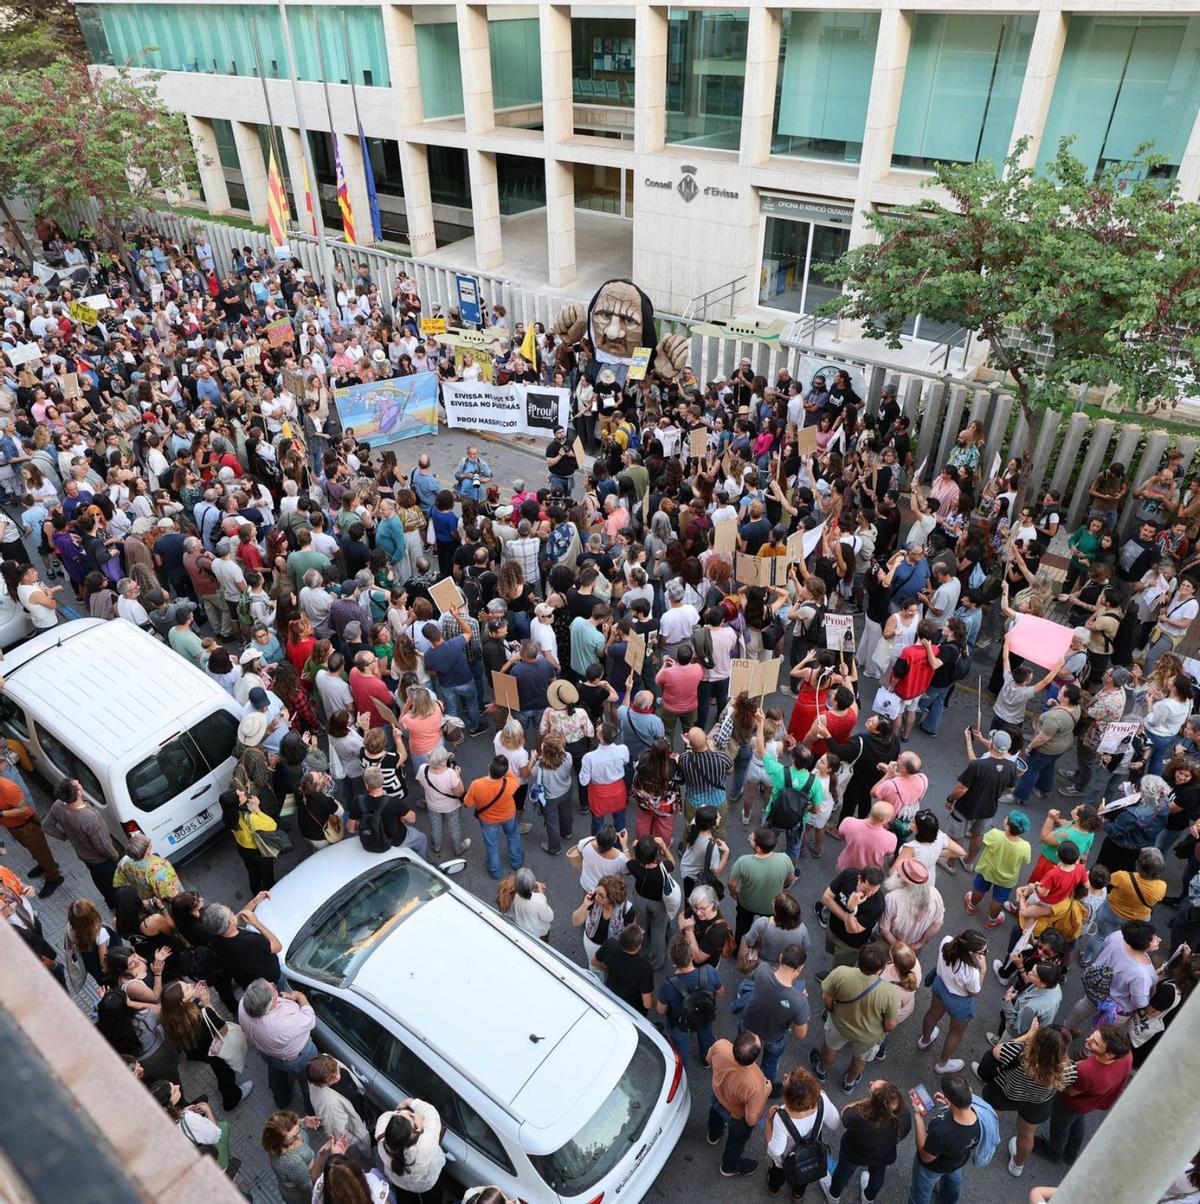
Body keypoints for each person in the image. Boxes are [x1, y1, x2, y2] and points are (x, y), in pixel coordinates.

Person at [976, 1022, 1076, 1178]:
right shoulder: (1069, 1070)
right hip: (1037, 1103)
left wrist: (1026, 1036)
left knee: (989, 1118)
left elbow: (996, 1051)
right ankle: (1017, 1164)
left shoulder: (1017, 1052)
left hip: (1005, 1092)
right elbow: (1065, 1085)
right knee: (1026, 1135)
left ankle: (979, 1143)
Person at [810, 943, 900, 1094]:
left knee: (830, 1046)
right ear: (881, 968)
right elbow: (890, 1025)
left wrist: (831, 1010)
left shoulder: (841, 973)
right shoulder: (889, 992)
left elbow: (826, 998)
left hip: (839, 1024)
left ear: (860, 958)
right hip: (868, 1036)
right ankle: (849, 1082)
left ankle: (821, 1070)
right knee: (860, 1058)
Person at [1036, 1025, 1132, 1166]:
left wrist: (1059, 1080)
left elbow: (1070, 1091)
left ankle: (1053, 1152)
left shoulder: (1086, 1072)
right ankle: (1071, 1153)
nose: (1088, 1040)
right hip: (1091, 1102)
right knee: (1077, 1121)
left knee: (1059, 1127)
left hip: (1071, 1103)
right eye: (1093, 1035)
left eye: (1095, 1042)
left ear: (1110, 1054)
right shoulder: (1127, 1056)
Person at [159, 978, 254, 1112]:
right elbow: (223, 1030)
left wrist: (194, 997)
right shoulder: (203, 1013)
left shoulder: (168, 1015)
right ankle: (232, 1098)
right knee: (224, 1072)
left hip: (196, 1051)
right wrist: (207, 1003)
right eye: (186, 988)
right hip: (214, 1050)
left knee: (218, 1068)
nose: (190, 984)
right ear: (182, 1002)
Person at [943, 729, 1019, 872]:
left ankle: (950, 863)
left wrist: (950, 799)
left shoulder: (978, 765)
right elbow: (1010, 788)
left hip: (966, 807)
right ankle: (968, 862)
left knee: (957, 835)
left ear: (991, 744)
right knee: (977, 835)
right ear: (1008, 749)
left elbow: (961, 789)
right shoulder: (1011, 767)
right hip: (988, 809)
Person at [238, 977, 318, 1111]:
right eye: (273, 990)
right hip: (299, 1057)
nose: (272, 983)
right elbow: (310, 1019)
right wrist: (299, 996)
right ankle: (312, 1111)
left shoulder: (243, 1005)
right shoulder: (281, 1026)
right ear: (272, 1004)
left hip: (270, 1054)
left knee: (277, 1079)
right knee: (310, 1086)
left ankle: (282, 1102)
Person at [738, 942, 810, 1088]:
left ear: (781, 957)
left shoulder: (762, 969)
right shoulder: (799, 1000)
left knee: (744, 1055)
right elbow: (801, 1034)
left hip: (749, 1024)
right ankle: (765, 1086)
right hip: (774, 1037)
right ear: (800, 968)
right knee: (770, 1061)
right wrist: (802, 1003)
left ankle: (740, 1078)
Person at [763, 1067, 842, 1199]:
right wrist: (825, 1097)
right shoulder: (821, 1100)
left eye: (787, 1079)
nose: (785, 1075)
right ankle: (797, 1196)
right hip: (810, 1153)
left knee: (778, 1173)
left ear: (787, 1098)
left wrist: (767, 1120)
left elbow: (776, 1150)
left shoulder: (782, 1117)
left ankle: (774, 1190)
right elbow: (835, 1124)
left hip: (788, 1158)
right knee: (803, 1177)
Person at [916, 928, 988, 1074]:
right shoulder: (971, 972)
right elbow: (974, 992)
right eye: (983, 952)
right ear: (970, 952)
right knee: (955, 1033)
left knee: (932, 1014)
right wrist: (983, 970)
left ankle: (925, 1040)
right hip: (958, 1002)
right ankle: (942, 1064)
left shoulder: (946, 941)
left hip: (940, 986)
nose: (985, 955)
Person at [828, 1079, 912, 1203]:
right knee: (877, 1175)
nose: (871, 1083)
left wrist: (866, 1101)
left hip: (854, 1153)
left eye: (873, 1087)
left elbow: (845, 1113)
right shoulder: (904, 1115)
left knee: (843, 1173)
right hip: (882, 1155)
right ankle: (868, 1198)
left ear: (875, 1104)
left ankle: (833, 1196)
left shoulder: (861, 1118)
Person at [41, 776, 121, 907]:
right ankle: (118, 905)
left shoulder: (58, 805)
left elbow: (46, 826)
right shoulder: (89, 818)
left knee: (98, 878)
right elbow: (102, 845)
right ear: (78, 793)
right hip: (102, 859)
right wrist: (115, 856)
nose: (79, 781)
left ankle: (110, 902)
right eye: (77, 783)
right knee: (114, 883)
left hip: (84, 856)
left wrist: (64, 836)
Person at [906, 1072, 982, 1204]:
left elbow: (925, 1156)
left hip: (934, 1168)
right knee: (951, 1187)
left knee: (919, 1197)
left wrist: (918, 1115)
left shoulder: (941, 1130)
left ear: (949, 1099)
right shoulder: (981, 1117)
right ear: (970, 1091)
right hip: (957, 1162)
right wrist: (951, 1105)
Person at [706, 1030, 771, 1178]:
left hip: (718, 1097)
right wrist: (766, 1093)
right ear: (754, 1058)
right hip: (736, 1116)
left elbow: (708, 1059)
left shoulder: (721, 1046)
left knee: (715, 1115)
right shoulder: (757, 1082)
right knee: (736, 1141)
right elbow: (751, 1119)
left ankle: (713, 1135)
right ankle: (729, 1167)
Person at [657, 929, 723, 1061]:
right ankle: (706, 1057)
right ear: (692, 955)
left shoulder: (667, 985)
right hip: (704, 1013)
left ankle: (683, 1070)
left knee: (681, 1047)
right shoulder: (709, 971)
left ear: (673, 961)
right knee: (706, 1031)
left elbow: (660, 1010)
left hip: (681, 1022)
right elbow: (720, 993)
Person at [965, 808, 1032, 929]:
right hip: (1006, 879)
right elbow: (1026, 860)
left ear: (1007, 826)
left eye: (1007, 818)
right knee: (999, 899)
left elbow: (983, 841)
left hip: (987, 870)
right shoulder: (1025, 846)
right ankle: (991, 921)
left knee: (979, 889)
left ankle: (971, 906)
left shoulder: (995, 834)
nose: (1005, 818)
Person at [262, 1111, 346, 1204]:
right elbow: (310, 1184)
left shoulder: (289, 1132)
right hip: (302, 1196)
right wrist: (328, 1157)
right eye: (292, 1138)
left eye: (298, 1130)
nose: (299, 1137)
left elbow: (294, 1127)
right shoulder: (292, 1162)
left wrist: (303, 1122)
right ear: (280, 1143)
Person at [729, 827, 796, 944]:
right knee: (767, 929)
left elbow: (731, 883)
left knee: (742, 928)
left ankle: (738, 949)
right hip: (772, 905)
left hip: (746, 903)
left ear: (758, 848)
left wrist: (733, 892)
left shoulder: (743, 862)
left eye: (752, 839)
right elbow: (790, 879)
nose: (750, 838)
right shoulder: (784, 859)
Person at [463, 756, 523, 878]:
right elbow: (515, 779)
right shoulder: (511, 783)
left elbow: (467, 803)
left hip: (488, 819)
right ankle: (516, 863)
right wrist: (504, 769)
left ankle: (495, 871)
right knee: (513, 836)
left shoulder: (476, 784)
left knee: (492, 845)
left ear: (489, 767)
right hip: (508, 815)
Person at [375, 1098, 447, 1200]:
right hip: (427, 1183)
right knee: (433, 1198)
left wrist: (402, 1113)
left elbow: (385, 1116)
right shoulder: (424, 1145)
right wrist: (410, 1103)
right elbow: (431, 1113)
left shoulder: (381, 1139)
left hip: (400, 1183)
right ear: (412, 1134)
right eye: (411, 1118)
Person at [818, 865, 886, 969]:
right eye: (866, 889)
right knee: (831, 951)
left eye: (874, 890)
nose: (869, 894)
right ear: (859, 879)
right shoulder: (849, 875)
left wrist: (850, 909)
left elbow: (852, 930)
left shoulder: (877, 905)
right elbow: (827, 898)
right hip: (832, 928)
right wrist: (849, 918)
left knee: (839, 970)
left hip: (849, 945)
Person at [593, 923, 655, 1015]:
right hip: (633, 1010)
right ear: (639, 946)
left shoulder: (610, 945)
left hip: (611, 994)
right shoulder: (644, 968)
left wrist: (608, 970)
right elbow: (647, 1004)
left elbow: (594, 962)